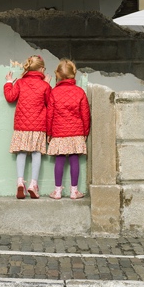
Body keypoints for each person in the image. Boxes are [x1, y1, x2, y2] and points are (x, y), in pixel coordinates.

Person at [4, 55, 51, 199]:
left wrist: (9, 82)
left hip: (21, 126)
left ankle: (19, 182)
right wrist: (48, 85)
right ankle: (33, 184)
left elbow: (10, 97)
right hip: (38, 125)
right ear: (42, 69)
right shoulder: (44, 86)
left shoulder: (20, 83)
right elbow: (50, 104)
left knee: (21, 153)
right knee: (37, 154)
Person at [46, 59, 90, 200]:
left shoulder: (54, 93)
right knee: (74, 159)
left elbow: (49, 115)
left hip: (58, 133)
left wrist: (49, 133)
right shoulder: (80, 92)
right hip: (76, 132)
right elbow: (85, 115)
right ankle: (74, 191)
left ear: (58, 74)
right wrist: (85, 132)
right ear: (73, 74)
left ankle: (57, 191)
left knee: (59, 160)